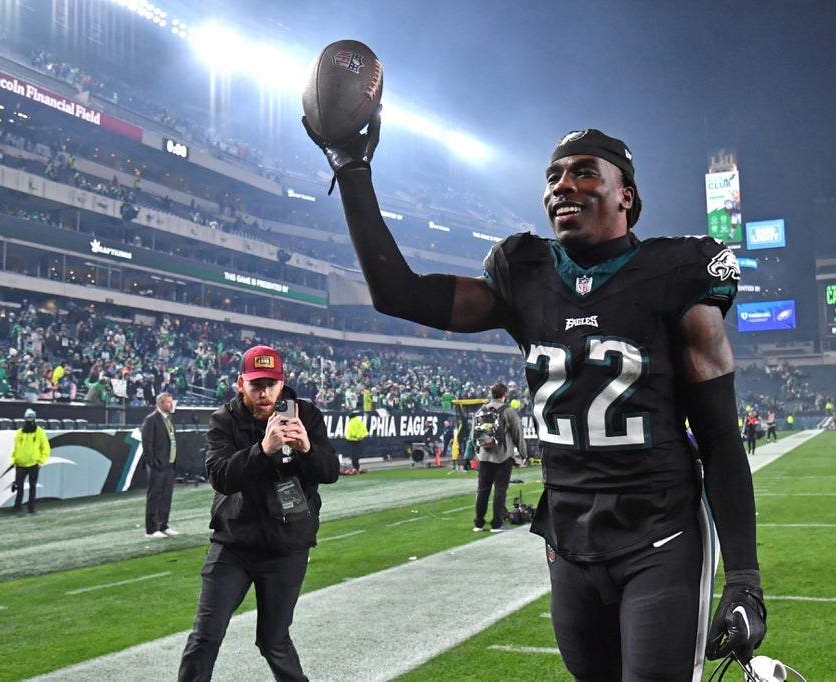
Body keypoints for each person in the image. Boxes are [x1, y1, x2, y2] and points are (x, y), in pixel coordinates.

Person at [306, 119, 765, 679]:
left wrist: (744, 578)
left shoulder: (678, 273)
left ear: (626, 195)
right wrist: (351, 169)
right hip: (568, 540)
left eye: (583, 172)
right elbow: (396, 292)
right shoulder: (525, 274)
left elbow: (719, 439)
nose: (561, 186)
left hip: (659, 535)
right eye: (553, 177)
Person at [178, 345, 340, 680]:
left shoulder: (306, 415)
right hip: (234, 543)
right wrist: (262, 450)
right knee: (205, 635)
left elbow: (330, 472)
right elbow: (221, 477)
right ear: (241, 384)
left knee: (273, 640)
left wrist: (307, 449)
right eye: (256, 385)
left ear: (282, 384)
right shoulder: (224, 419)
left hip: (287, 545)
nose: (264, 393)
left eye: (271, 384)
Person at [471, 382, 527, 533]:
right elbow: (517, 435)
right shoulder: (508, 412)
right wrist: (523, 454)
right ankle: (496, 524)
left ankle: (478, 523)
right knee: (500, 490)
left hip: (484, 457)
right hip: (502, 456)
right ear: (505, 395)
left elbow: (473, 435)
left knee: (482, 490)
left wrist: (478, 452)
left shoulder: (480, 411)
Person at [141, 392, 179, 538]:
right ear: (161, 404)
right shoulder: (152, 420)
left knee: (166, 496)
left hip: (169, 464)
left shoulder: (169, 419)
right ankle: (151, 529)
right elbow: (147, 442)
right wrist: (152, 462)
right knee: (154, 496)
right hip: (158, 465)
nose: (171, 405)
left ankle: (163, 524)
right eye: (168, 402)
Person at [11, 408, 50, 514]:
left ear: (34, 418)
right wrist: (14, 460)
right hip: (20, 464)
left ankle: (31, 508)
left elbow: (45, 448)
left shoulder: (39, 432)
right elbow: (16, 447)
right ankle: (17, 506)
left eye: (31, 417)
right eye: (27, 417)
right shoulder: (20, 432)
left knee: (32, 487)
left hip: (33, 464)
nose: (29, 419)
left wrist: (40, 461)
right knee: (19, 486)